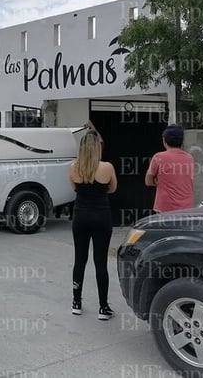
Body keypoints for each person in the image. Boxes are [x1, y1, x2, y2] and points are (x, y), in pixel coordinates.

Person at [69, 128, 118, 320]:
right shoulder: (107, 167)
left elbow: (74, 188)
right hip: (101, 217)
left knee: (79, 260)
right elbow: (112, 189)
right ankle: (103, 307)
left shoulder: (73, 167)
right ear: (97, 147)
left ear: (81, 148)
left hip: (80, 216)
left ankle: (76, 303)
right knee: (101, 262)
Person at [145, 124, 195, 213]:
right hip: (186, 207)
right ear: (182, 141)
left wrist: (158, 181)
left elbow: (148, 181)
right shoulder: (189, 158)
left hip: (165, 207)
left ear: (164, 140)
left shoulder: (158, 157)